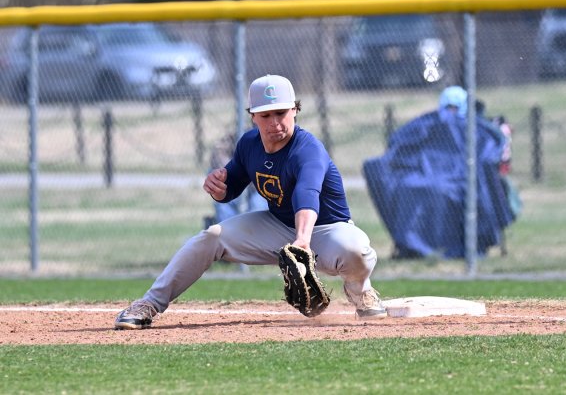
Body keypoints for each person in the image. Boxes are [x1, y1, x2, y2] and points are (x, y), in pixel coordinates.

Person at [115, 74, 387, 329]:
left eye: (281, 113)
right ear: (253, 116)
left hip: (325, 229)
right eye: (265, 115)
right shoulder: (249, 144)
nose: (275, 123)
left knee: (355, 248)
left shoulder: (308, 149)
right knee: (211, 237)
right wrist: (218, 188)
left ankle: (360, 292)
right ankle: (149, 303)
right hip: (277, 227)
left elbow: (307, 193)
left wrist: (302, 240)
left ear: (295, 110)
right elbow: (232, 184)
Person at [363, 86, 516, 259]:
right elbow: (399, 147)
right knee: (413, 187)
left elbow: (490, 154)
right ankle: (412, 246)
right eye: (448, 107)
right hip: (424, 175)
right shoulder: (428, 124)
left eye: (456, 108)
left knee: (443, 190)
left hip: (462, 178)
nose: (451, 113)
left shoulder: (478, 129)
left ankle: (462, 246)